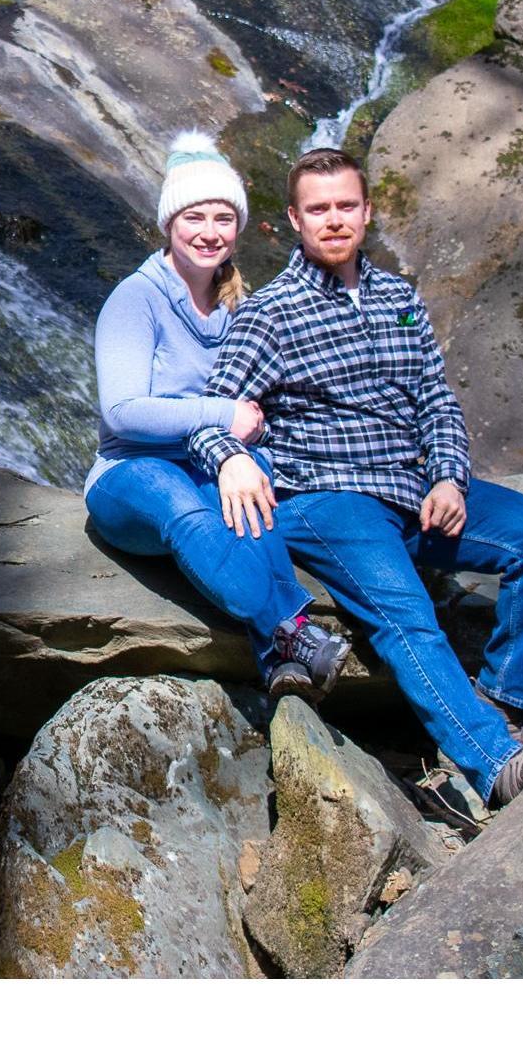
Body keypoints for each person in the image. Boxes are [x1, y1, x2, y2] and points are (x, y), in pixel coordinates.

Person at [189, 146, 523, 807]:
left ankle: (510, 700)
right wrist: (229, 459)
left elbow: (436, 398)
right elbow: (209, 415)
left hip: (412, 490)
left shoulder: (400, 297)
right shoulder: (271, 313)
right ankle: (498, 767)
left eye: (346, 206)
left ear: (367, 212)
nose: (334, 220)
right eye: (319, 209)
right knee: (409, 614)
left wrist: (450, 478)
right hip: (328, 499)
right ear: (294, 219)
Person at [84, 131, 351, 702]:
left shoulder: (236, 307)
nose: (210, 233)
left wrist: (241, 452)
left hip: (209, 462)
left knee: (253, 499)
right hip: (128, 473)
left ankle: (280, 659)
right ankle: (292, 630)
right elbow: (122, 412)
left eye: (224, 218)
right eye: (195, 217)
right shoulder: (136, 298)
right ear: (168, 224)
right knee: (187, 508)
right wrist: (223, 415)